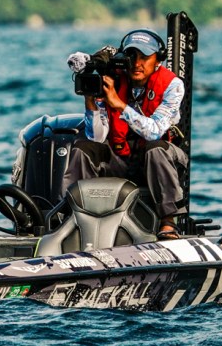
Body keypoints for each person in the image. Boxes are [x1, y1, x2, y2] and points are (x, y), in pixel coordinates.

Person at [63, 29, 187, 239]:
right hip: (121, 158)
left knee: (156, 150)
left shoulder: (172, 86)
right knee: (84, 148)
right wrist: (90, 102)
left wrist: (119, 105)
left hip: (158, 159)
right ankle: (69, 216)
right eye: (132, 56)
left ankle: (168, 221)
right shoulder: (112, 81)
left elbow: (154, 131)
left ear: (158, 60)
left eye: (144, 57)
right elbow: (97, 137)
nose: (137, 63)